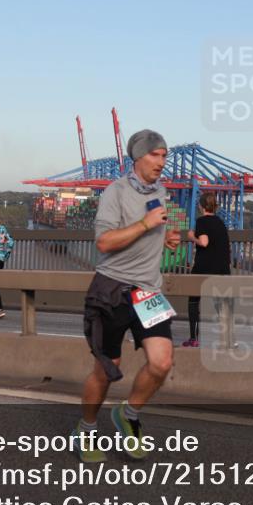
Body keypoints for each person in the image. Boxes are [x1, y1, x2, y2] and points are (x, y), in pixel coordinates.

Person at [75, 129, 180, 463]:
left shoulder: (160, 192)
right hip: (113, 290)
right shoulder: (114, 193)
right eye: (155, 155)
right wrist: (146, 226)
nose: (161, 162)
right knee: (107, 370)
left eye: (165, 156)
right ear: (138, 157)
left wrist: (165, 238)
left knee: (162, 362)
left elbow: (150, 230)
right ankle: (87, 428)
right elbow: (104, 242)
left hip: (148, 290)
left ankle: (129, 415)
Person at [183, 192, 231, 348]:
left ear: (201, 206)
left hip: (204, 268)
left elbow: (204, 242)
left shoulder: (202, 221)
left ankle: (193, 338)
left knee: (193, 301)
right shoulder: (221, 223)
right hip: (223, 269)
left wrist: (192, 237)